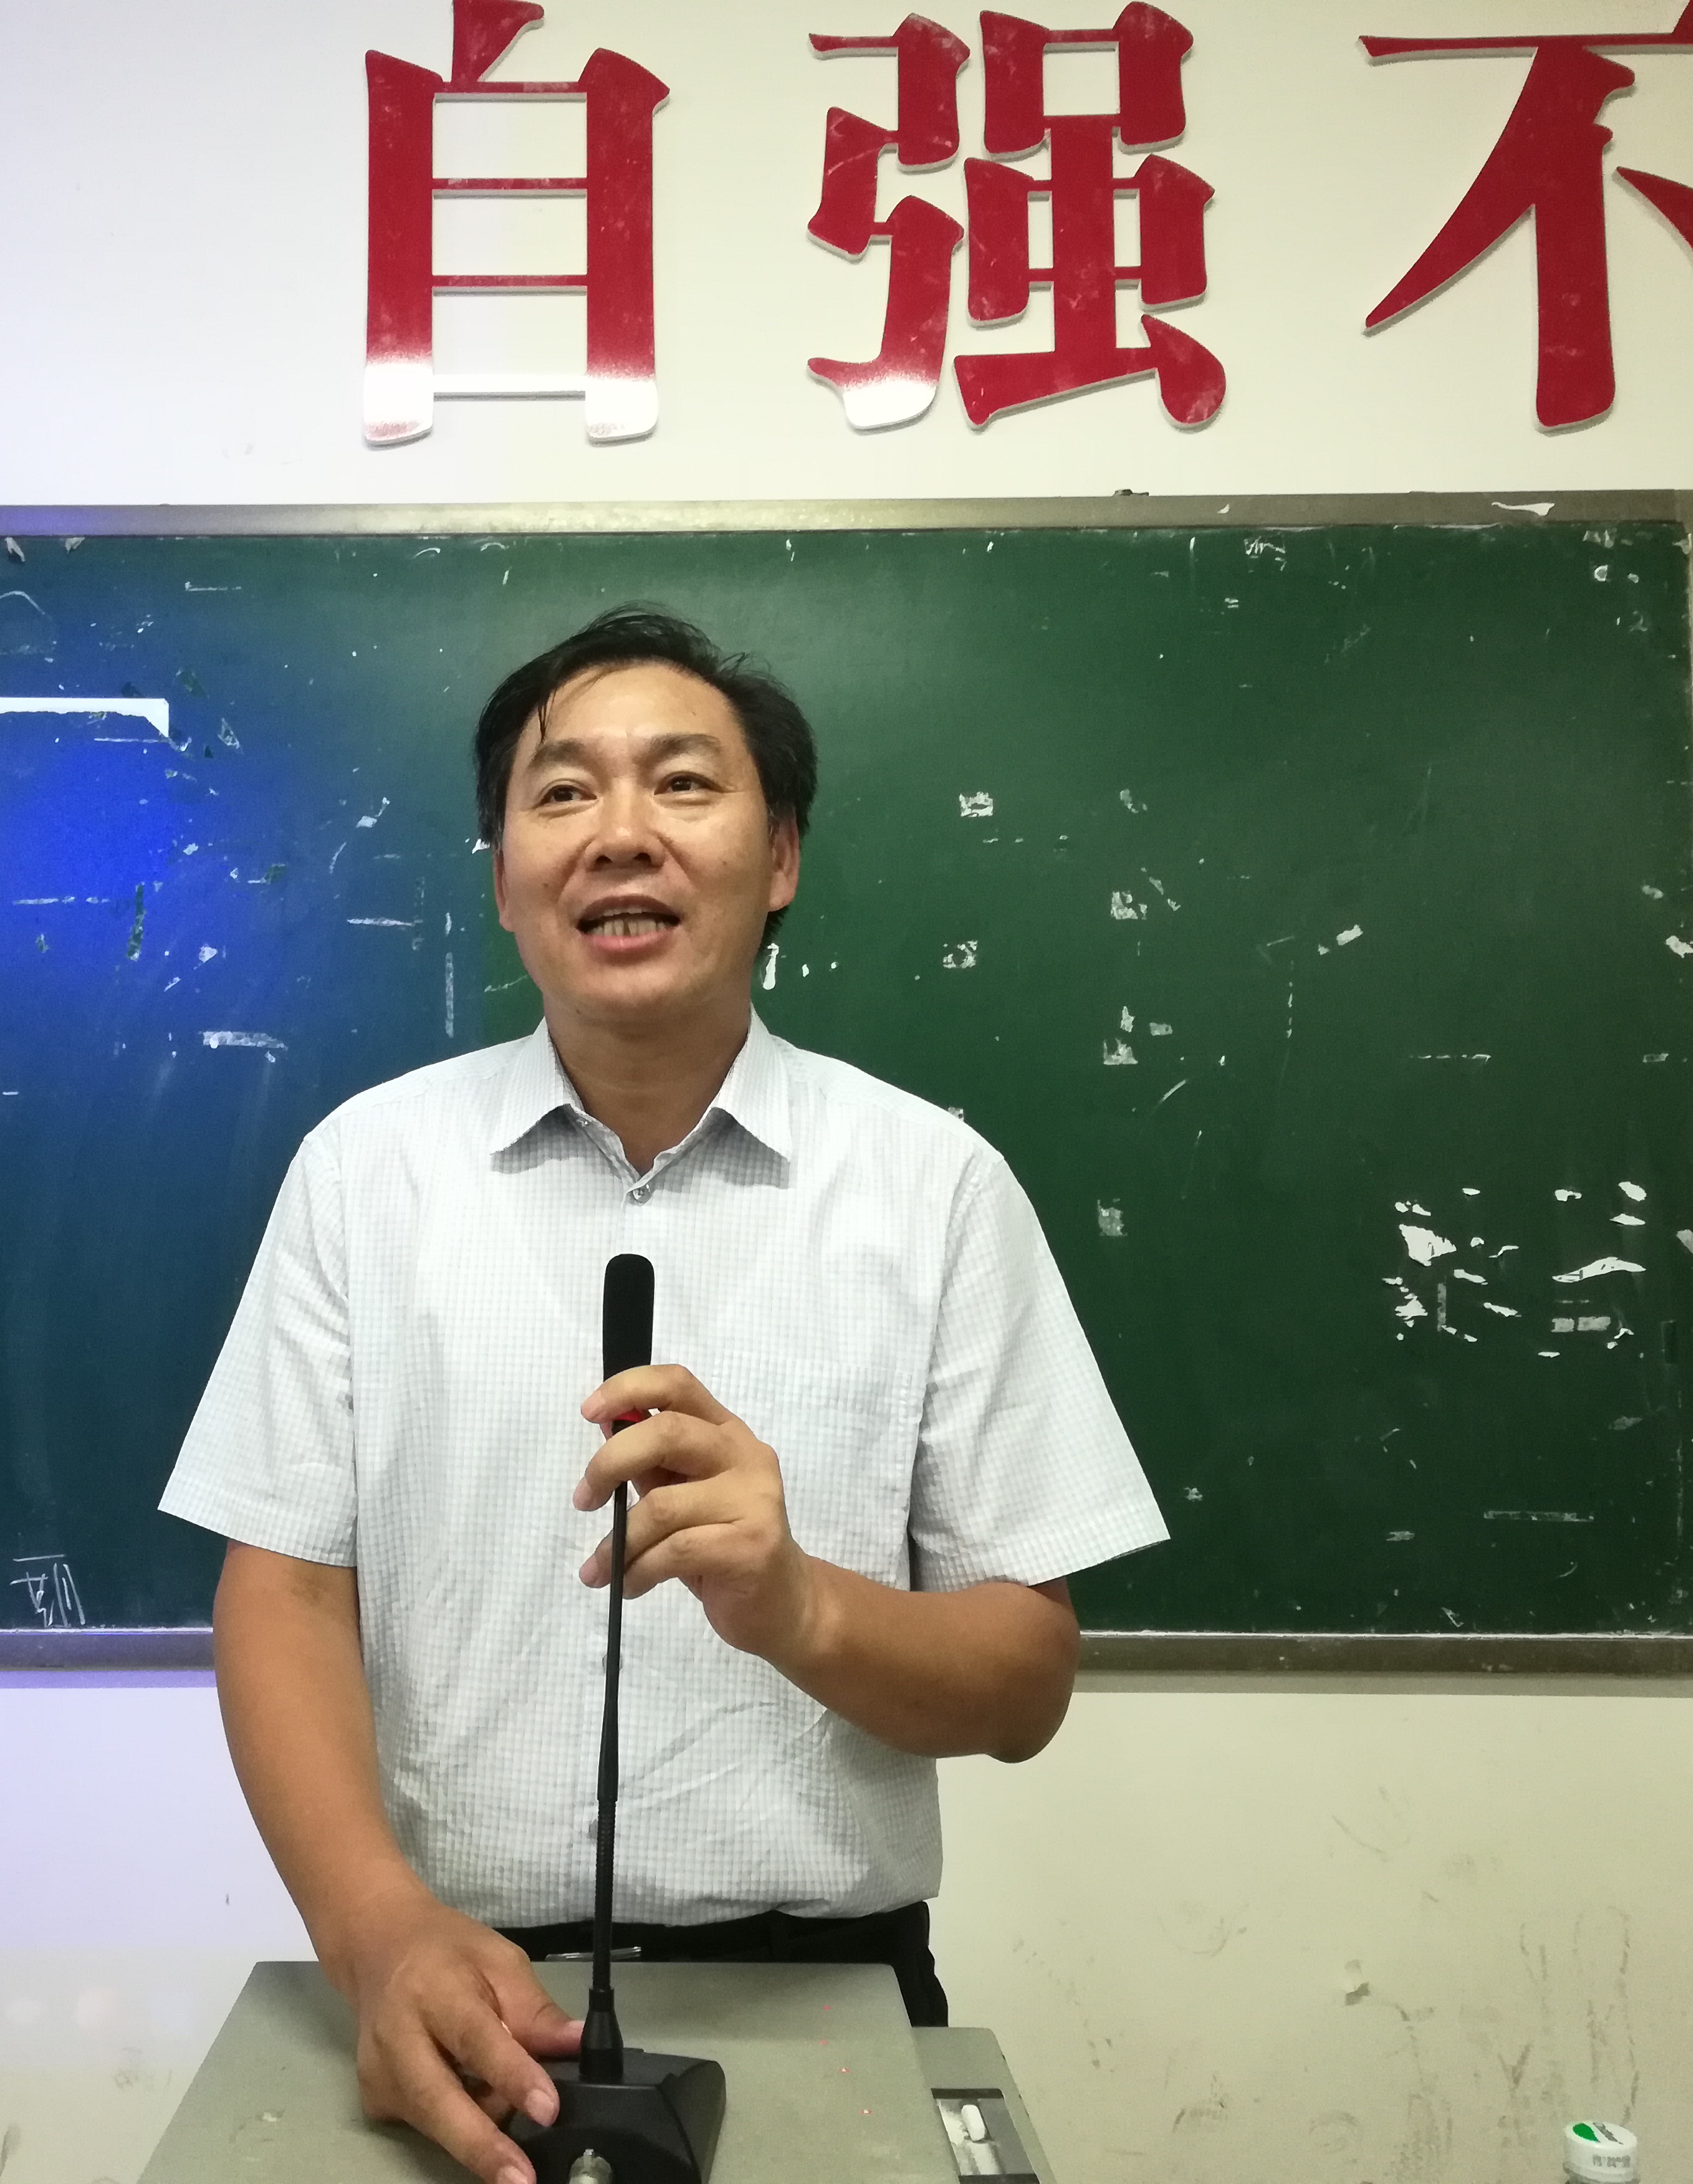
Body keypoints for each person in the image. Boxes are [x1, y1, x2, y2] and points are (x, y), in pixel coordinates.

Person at [159, 608, 1165, 2184]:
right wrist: (376, 1931)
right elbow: (281, 1592)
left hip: (824, 1995)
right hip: (454, 1993)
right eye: (562, 792)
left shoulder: (934, 1188)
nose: (620, 833)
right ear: (502, 878)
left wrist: (799, 1606)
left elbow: (1023, 1680)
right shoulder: (367, 1174)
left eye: (684, 784)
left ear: (782, 858)